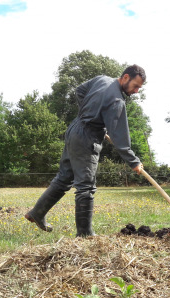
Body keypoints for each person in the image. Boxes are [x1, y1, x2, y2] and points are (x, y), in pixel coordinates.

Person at [25, 64, 146, 237]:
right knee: (86, 187)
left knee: (65, 177)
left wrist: (88, 113)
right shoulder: (117, 100)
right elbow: (120, 137)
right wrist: (134, 161)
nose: (136, 91)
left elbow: (79, 91)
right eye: (135, 86)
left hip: (74, 129)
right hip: (87, 138)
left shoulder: (102, 79)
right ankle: (85, 234)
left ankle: (37, 213)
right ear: (126, 77)